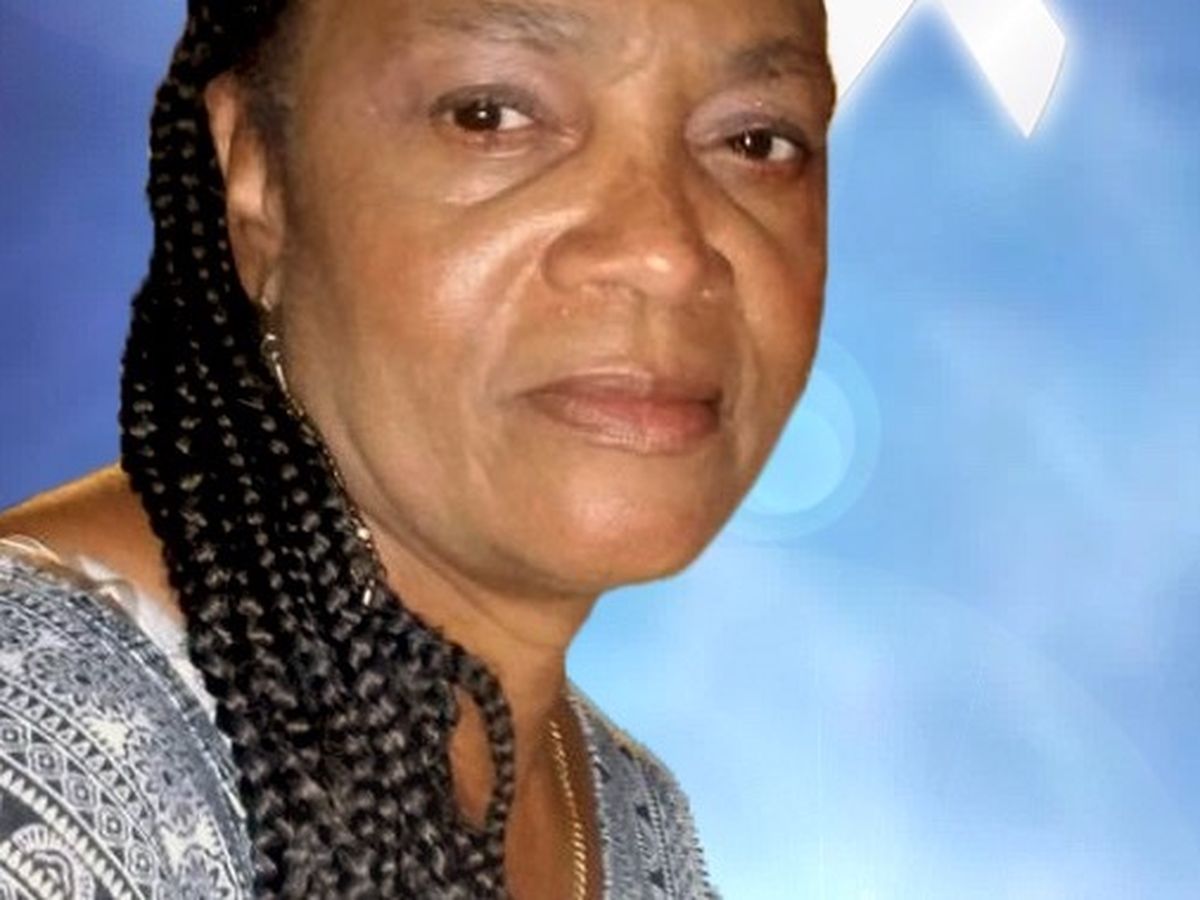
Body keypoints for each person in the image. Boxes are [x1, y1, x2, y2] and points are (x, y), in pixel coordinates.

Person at [0, 0, 835, 895]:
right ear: (258, 178)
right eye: (489, 115)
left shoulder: (625, 809)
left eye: (757, 141)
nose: (667, 254)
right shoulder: (37, 757)